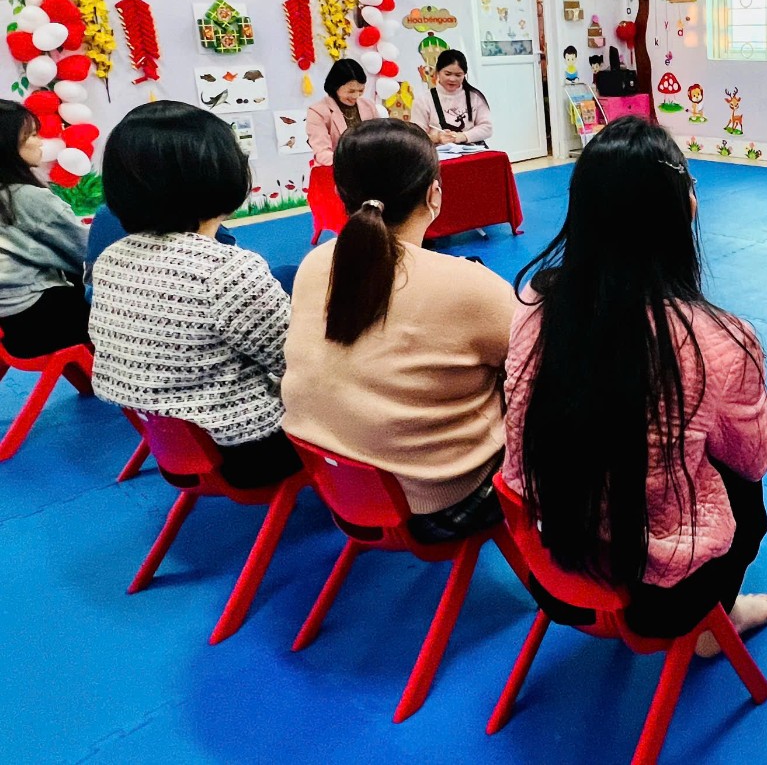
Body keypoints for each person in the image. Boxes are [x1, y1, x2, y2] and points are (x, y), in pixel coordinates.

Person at [502, 116, 767, 650]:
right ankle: (719, 618)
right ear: (684, 208)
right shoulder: (718, 338)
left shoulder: (536, 301)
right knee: (746, 487)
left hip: (549, 563)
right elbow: (752, 460)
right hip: (662, 597)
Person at [282, 119, 515, 542]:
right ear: (434, 194)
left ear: (340, 195)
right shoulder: (468, 285)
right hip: (441, 502)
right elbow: (536, 363)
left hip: (337, 484)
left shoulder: (315, 263)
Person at [89, 103, 300, 489]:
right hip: (251, 450)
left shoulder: (112, 257)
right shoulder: (225, 269)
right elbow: (299, 364)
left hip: (170, 445)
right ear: (222, 175)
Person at [0, 101, 90, 359]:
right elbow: (87, 254)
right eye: (31, 135)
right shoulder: (26, 198)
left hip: (10, 324)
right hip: (35, 323)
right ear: (7, 146)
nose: (41, 142)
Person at [410, 49, 494, 147]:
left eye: (458, 75)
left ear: (464, 75)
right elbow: (416, 135)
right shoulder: (423, 100)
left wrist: (462, 136)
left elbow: (487, 128)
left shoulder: (475, 97)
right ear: (437, 72)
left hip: (473, 150)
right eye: (447, 74)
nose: (452, 79)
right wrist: (437, 138)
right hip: (437, 152)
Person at [307, 58, 378, 166]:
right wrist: (354, 164)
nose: (356, 96)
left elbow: (378, 140)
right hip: (335, 169)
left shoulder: (368, 106)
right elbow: (322, 153)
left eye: (361, 90)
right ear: (335, 87)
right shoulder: (318, 111)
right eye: (351, 91)